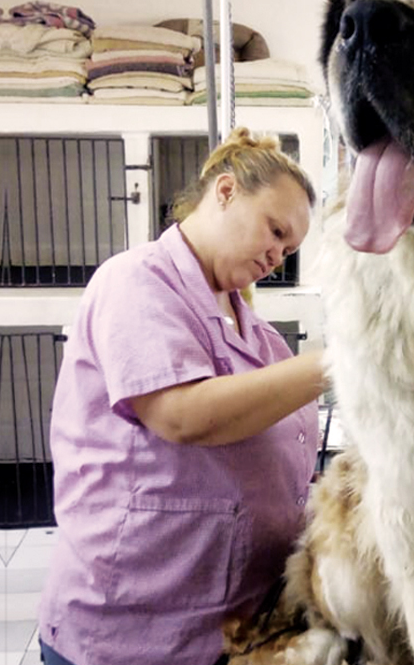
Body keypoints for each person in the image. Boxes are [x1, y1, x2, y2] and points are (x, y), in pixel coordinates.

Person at [38, 127, 327, 665]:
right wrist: (337, 362)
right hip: (131, 631)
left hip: (232, 627)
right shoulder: (136, 281)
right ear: (226, 191)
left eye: (288, 249)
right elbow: (184, 415)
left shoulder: (259, 336)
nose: (277, 255)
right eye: (275, 230)